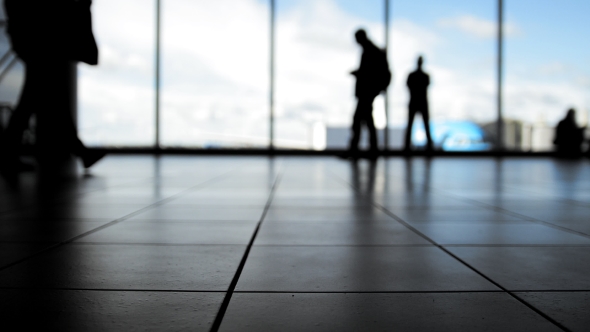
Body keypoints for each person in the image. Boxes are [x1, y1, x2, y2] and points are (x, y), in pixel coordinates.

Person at [1, 0, 105, 176]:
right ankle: (79, 150)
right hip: (36, 40)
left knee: (39, 98)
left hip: (32, 39)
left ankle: (9, 155)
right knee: (42, 98)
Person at [345, 29, 391, 159]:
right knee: (367, 121)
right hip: (367, 92)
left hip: (367, 92)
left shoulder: (371, 51)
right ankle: (371, 151)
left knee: (358, 120)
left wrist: (359, 74)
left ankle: (357, 151)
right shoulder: (370, 50)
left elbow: (371, 74)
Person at [404, 56, 433, 153]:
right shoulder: (425, 76)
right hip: (421, 102)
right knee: (424, 125)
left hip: (415, 102)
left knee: (412, 125)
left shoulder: (412, 75)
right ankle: (429, 147)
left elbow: (408, 85)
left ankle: (407, 147)